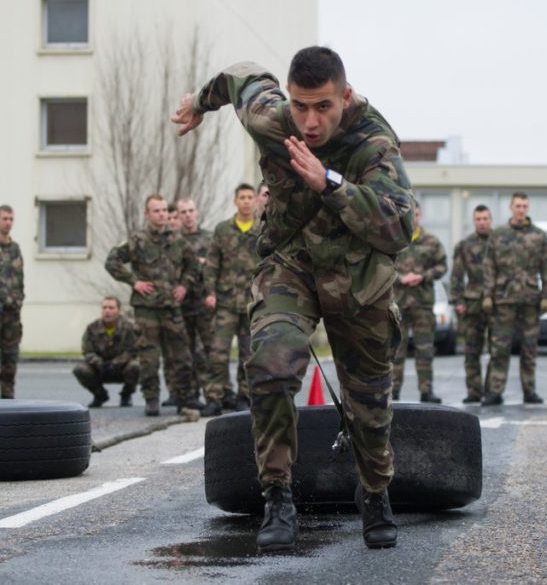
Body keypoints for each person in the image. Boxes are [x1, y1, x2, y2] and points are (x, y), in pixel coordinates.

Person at [171, 46, 414, 552]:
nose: (309, 121)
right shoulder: (272, 118)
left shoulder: (374, 142)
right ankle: (277, 495)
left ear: (345, 97)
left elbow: (401, 226)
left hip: (357, 272)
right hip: (292, 265)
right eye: (300, 106)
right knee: (270, 364)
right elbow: (241, 78)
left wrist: (330, 184)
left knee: (367, 399)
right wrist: (198, 102)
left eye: (322, 107)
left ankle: (374, 491)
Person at [105, 195, 200, 416]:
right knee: (149, 358)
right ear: (147, 214)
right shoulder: (137, 240)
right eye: (156, 211)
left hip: (171, 307)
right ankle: (151, 399)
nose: (162, 215)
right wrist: (133, 281)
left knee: (181, 356)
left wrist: (184, 286)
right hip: (146, 308)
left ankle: (184, 397)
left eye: (165, 210)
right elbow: (112, 261)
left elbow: (193, 265)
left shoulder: (178, 240)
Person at [481, 192, 547, 405]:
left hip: (530, 299)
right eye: (517, 206)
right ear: (511, 208)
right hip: (504, 299)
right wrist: (487, 294)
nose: (521, 210)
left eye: (524, 206)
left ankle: (529, 391)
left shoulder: (538, 235)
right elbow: (489, 266)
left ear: (527, 208)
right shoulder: (499, 234)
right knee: (500, 348)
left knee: (529, 348)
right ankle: (495, 391)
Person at [203, 183, 262, 416]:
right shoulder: (223, 230)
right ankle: (214, 397)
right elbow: (211, 264)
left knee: (248, 354)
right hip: (225, 302)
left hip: (251, 301)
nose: (246, 201)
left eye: (250, 197)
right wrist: (210, 292)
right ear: (235, 201)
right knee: (218, 352)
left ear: (255, 200)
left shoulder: (261, 230)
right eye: (242, 197)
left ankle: (244, 396)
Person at [391, 204, 447, 403]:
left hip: (422, 304)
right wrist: (400, 278)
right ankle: (393, 390)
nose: (413, 218)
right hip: (398, 303)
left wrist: (423, 276)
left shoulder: (431, 242)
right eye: (409, 214)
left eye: (416, 214)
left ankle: (426, 390)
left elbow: (442, 265)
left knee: (425, 349)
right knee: (396, 349)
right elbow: (382, 265)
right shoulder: (394, 238)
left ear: (420, 215)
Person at [451, 205, 493, 403]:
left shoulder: (499, 241)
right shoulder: (465, 245)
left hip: (495, 301)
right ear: (474, 221)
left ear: (490, 220)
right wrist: (458, 300)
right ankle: (474, 391)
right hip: (472, 303)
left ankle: (492, 390)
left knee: (496, 350)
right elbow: (457, 275)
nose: (482, 222)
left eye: (485, 218)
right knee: (472, 350)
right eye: (478, 219)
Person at [177, 197, 215, 411]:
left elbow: (216, 266)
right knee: (186, 352)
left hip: (204, 303)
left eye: (191, 210)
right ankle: (190, 396)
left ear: (197, 212)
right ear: (179, 216)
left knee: (209, 351)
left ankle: (214, 395)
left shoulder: (209, 239)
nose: (188, 215)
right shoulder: (174, 241)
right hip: (182, 305)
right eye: (183, 212)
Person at [73, 297, 143, 408]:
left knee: (136, 366)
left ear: (118, 310)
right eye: (104, 307)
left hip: (122, 367)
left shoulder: (129, 328)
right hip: (99, 367)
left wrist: (116, 362)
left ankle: (126, 394)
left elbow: (133, 350)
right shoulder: (92, 328)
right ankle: (100, 395)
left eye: (111, 308)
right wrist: (97, 362)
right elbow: (87, 351)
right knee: (80, 369)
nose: (107, 311)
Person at [0, 205, 24, 399]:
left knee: (11, 356)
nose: (8, 222)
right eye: (4, 218)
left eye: (11, 219)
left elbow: (19, 280)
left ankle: (8, 397)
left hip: (12, 314)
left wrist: (19, 300)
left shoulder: (15, 249)